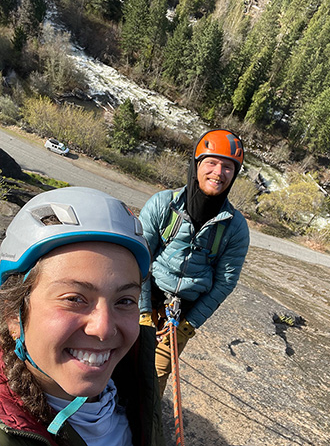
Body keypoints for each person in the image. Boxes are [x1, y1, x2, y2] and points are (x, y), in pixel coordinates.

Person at [0, 187, 165, 446]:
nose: (103, 329)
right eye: (74, 299)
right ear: (13, 313)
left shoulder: (134, 377)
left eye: (124, 301)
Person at [139, 129, 250, 396]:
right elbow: (139, 257)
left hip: (180, 316)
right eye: (211, 163)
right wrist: (142, 311)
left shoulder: (235, 227)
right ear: (196, 164)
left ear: (234, 175)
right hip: (144, 297)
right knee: (118, 363)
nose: (218, 172)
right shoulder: (163, 205)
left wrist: (189, 325)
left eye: (228, 167)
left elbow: (225, 282)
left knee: (155, 378)